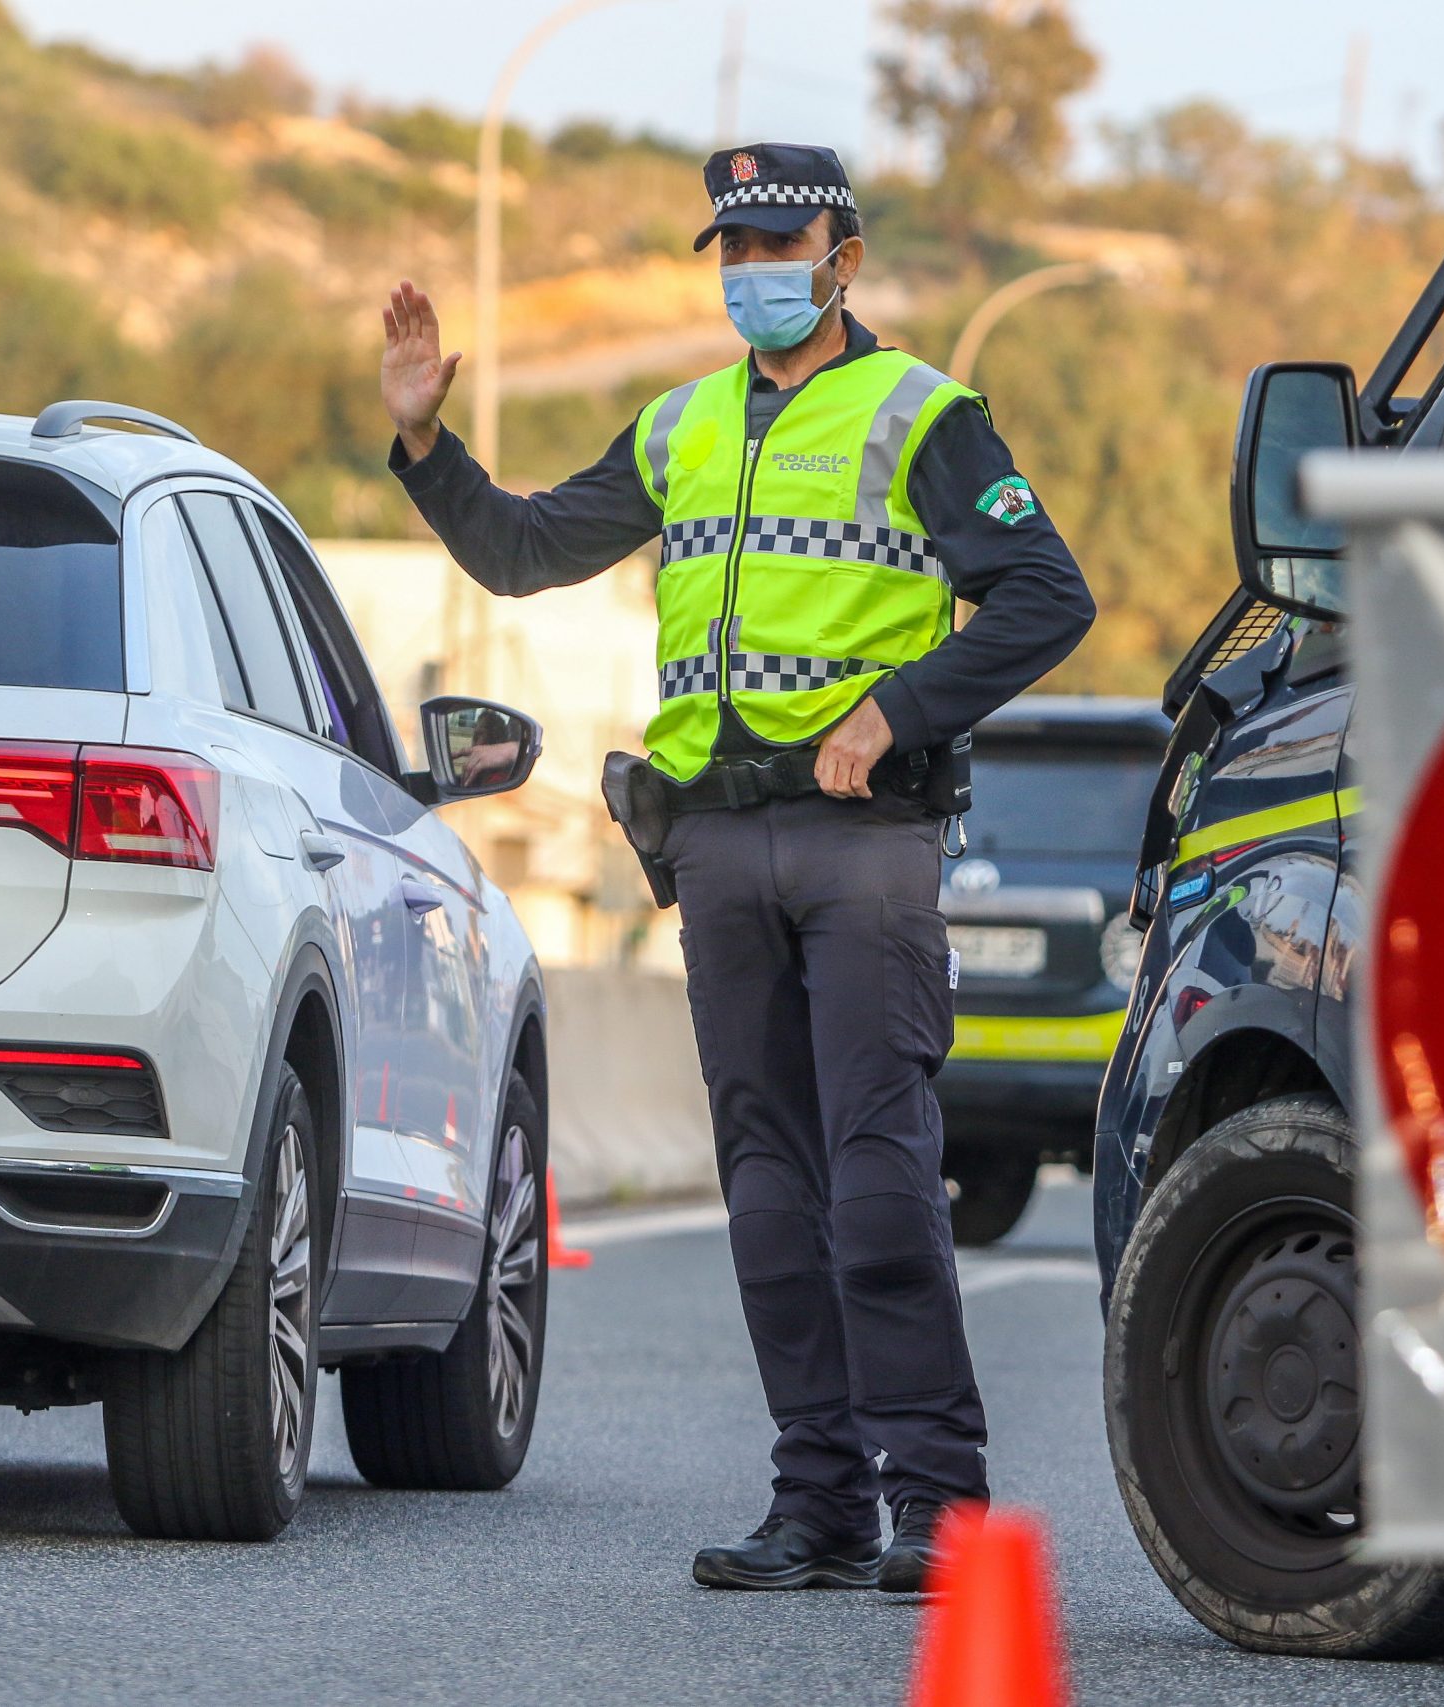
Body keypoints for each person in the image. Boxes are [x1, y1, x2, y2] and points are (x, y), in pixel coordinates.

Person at [377, 143, 1094, 1595]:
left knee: (883, 1177)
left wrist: (900, 709)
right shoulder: (685, 426)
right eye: (734, 244)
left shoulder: (924, 414)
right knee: (768, 1185)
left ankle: (938, 1510)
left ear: (843, 254)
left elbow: (1046, 596)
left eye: (783, 239)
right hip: (716, 841)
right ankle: (818, 1504)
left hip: (867, 840)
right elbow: (522, 554)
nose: (754, 266)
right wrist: (424, 448)